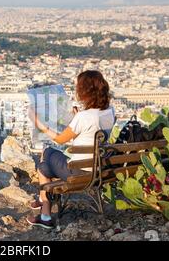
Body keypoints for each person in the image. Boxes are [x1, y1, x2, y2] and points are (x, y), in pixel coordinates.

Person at [26, 70, 116, 229]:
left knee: (46, 154)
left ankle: (44, 209)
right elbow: (92, 132)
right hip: (99, 168)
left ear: (85, 92)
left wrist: (40, 124)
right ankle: (43, 209)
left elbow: (60, 139)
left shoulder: (84, 117)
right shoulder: (110, 111)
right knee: (45, 165)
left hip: (79, 172)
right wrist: (77, 117)